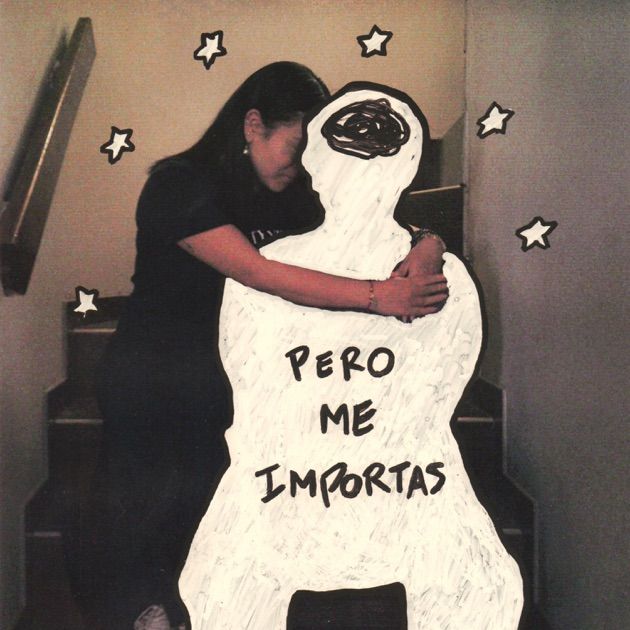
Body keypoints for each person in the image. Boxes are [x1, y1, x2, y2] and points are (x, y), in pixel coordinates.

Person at [86, 61, 447, 629]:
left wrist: (427, 245)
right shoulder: (178, 184)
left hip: (231, 377)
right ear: (253, 125)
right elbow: (257, 272)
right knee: (144, 508)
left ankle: (181, 609)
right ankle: (136, 611)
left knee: (212, 510)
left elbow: (387, 221)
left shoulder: (291, 192)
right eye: (295, 145)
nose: (301, 165)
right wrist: (380, 296)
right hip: (155, 371)